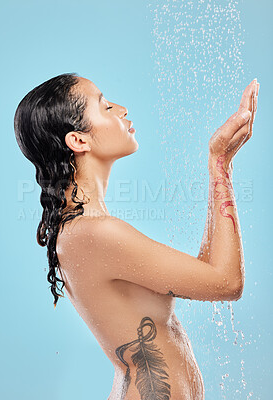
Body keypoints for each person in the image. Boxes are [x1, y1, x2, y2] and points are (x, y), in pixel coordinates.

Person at [14, 73, 259, 400]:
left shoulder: (83, 228)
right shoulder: (94, 233)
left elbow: (209, 272)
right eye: (105, 106)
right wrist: (219, 165)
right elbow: (226, 283)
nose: (122, 109)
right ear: (79, 141)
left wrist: (221, 160)